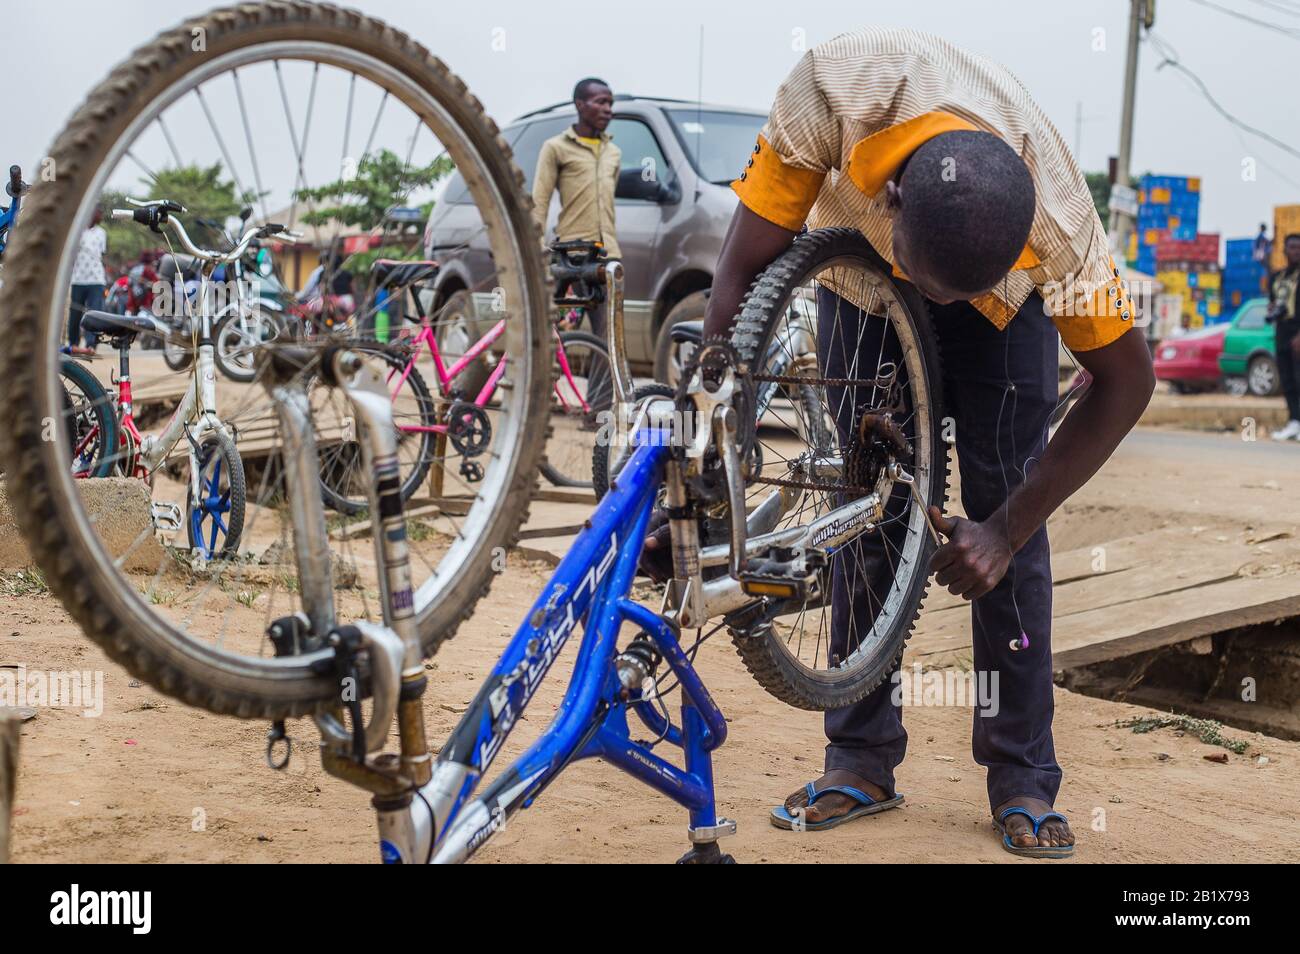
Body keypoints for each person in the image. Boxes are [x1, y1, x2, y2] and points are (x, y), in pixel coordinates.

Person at [650, 29, 1155, 857]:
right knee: (863, 499)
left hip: (1009, 311)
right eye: (928, 280)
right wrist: (719, 434)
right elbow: (739, 277)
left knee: (1005, 509)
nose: (935, 303)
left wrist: (1005, 527)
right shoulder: (828, 92)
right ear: (890, 207)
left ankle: (1023, 773)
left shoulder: (1063, 228)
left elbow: (1129, 382)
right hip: (860, 287)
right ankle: (861, 756)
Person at [531, 77, 621, 335]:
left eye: (610, 103)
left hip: (607, 253)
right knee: (553, 331)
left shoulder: (613, 152)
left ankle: (600, 378)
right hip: (573, 252)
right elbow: (540, 201)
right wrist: (536, 252)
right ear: (580, 105)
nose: (608, 109)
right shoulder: (555, 148)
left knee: (609, 333)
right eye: (601, 102)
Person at [1268, 234, 1300, 440]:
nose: (1296, 251)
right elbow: (1274, 303)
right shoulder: (1277, 277)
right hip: (1282, 332)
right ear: (1285, 250)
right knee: (1287, 379)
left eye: (1299, 248)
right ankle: (1294, 422)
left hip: (1298, 331)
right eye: (1292, 247)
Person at [68, 206, 108, 355]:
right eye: (99, 212)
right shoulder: (77, 231)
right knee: (75, 314)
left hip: (96, 279)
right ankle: (73, 344)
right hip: (78, 278)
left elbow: (102, 255)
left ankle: (91, 346)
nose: (101, 215)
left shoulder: (102, 233)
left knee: (94, 314)